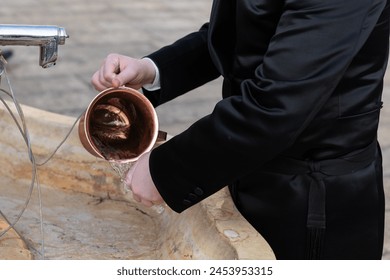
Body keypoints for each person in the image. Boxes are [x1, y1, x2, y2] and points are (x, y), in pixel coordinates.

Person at [91, 0, 389, 260]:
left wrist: (164, 170)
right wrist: (153, 69)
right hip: (247, 166)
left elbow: (276, 106)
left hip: (313, 205)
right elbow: (233, 35)